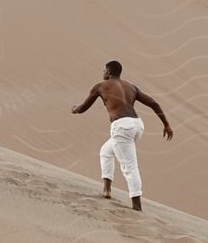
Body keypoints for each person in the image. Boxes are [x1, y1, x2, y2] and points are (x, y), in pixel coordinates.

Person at [71, 60, 172, 211]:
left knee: (129, 166)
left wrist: (74, 109)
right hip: (137, 126)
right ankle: (106, 190)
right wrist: (166, 124)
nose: (102, 72)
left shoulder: (100, 86)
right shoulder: (131, 87)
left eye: (104, 70)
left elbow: (83, 108)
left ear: (109, 72)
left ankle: (137, 206)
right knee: (106, 151)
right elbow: (154, 103)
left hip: (121, 127)